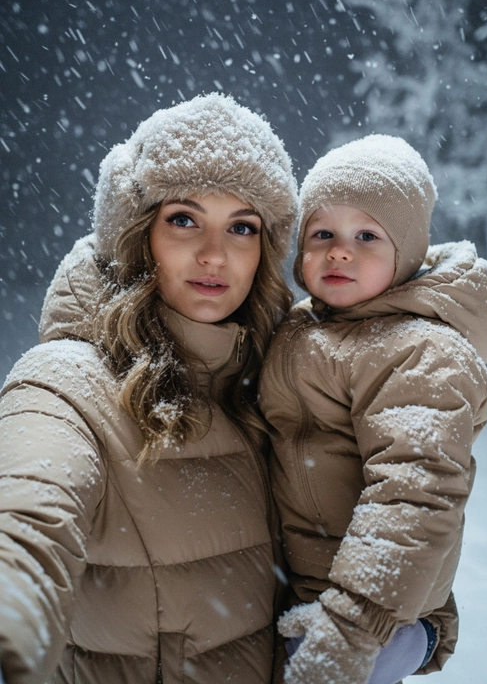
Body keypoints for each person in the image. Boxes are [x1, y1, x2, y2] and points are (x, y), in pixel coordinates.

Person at [0, 93, 298, 684]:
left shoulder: (283, 383)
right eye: (183, 219)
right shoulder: (68, 381)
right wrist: (13, 612)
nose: (215, 254)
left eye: (242, 226)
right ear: (138, 236)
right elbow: (30, 515)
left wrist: (417, 631)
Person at [258, 134, 487, 684]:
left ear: (406, 253)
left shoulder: (421, 351)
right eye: (322, 234)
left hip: (381, 615)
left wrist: (352, 627)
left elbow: (414, 491)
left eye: (367, 235)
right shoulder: (300, 327)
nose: (339, 250)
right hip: (305, 590)